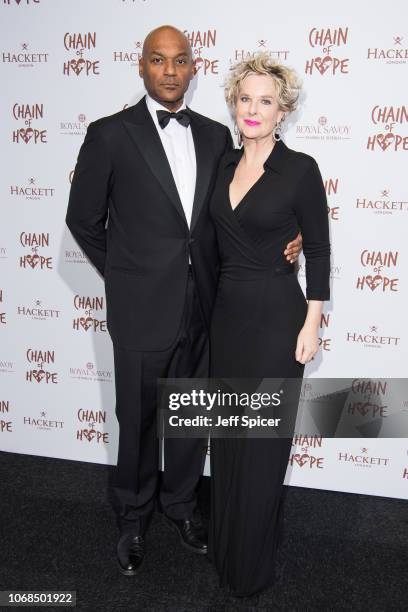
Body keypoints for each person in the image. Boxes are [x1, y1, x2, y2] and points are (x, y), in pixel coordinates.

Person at [66, 27, 302, 577]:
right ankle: (132, 516)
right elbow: (83, 220)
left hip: (205, 310)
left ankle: (181, 507)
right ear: (142, 67)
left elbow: (236, 213)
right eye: (158, 61)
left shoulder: (218, 137)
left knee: (191, 414)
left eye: (179, 61)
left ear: (193, 68)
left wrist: (288, 240)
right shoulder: (109, 135)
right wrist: (126, 276)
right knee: (140, 419)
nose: (169, 71)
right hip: (141, 308)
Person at [208, 53, 331, 596]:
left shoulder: (300, 169)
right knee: (231, 441)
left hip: (278, 323)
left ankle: (250, 570)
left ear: (283, 111)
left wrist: (312, 322)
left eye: (266, 101)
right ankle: (227, 550)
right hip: (226, 320)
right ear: (234, 105)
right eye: (245, 98)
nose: (253, 109)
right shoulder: (219, 165)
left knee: (262, 447)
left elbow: (321, 252)